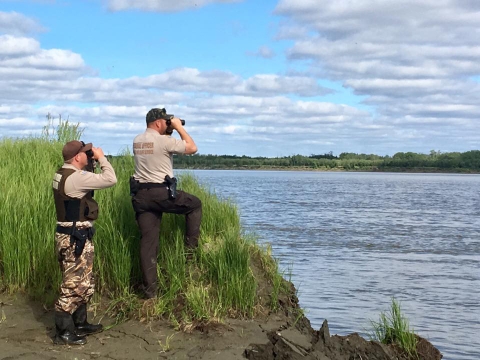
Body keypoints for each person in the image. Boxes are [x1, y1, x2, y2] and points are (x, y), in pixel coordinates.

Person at [131, 108, 202, 299]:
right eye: (165, 121)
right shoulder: (164, 141)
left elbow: (156, 149)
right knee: (195, 205)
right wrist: (178, 127)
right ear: (158, 123)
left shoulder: (137, 140)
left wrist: (168, 129)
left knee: (148, 243)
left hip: (141, 196)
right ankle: (191, 254)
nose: (167, 123)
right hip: (160, 193)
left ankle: (150, 293)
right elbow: (192, 148)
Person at [52, 140, 117, 345]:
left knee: (83, 281)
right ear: (77, 157)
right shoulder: (77, 178)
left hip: (69, 235)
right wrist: (101, 158)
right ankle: (63, 333)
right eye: (86, 154)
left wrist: (90, 162)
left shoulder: (62, 173)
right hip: (74, 237)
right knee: (73, 285)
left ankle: (80, 323)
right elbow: (110, 179)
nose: (89, 156)